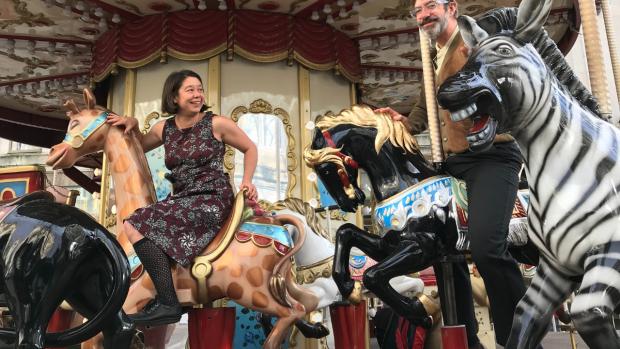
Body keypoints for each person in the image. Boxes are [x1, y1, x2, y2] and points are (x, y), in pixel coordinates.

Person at [377, 1, 527, 347]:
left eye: (430, 6)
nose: (424, 14)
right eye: (418, 10)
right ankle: (466, 339)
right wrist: (405, 123)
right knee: (445, 251)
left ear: (452, 8)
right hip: (457, 162)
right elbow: (423, 102)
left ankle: (520, 333)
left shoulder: (471, 39)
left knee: (488, 246)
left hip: (492, 156)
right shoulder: (435, 55)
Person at [106, 69, 258, 325]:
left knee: (135, 224)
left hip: (212, 197)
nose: (198, 94)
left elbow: (250, 147)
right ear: (174, 96)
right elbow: (136, 147)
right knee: (136, 223)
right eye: (190, 90)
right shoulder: (163, 128)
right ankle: (167, 293)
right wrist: (131, 124)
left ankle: (168, 303)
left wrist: (247, 180)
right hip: (184, 198)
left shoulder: (216, 123)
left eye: (200, 89)